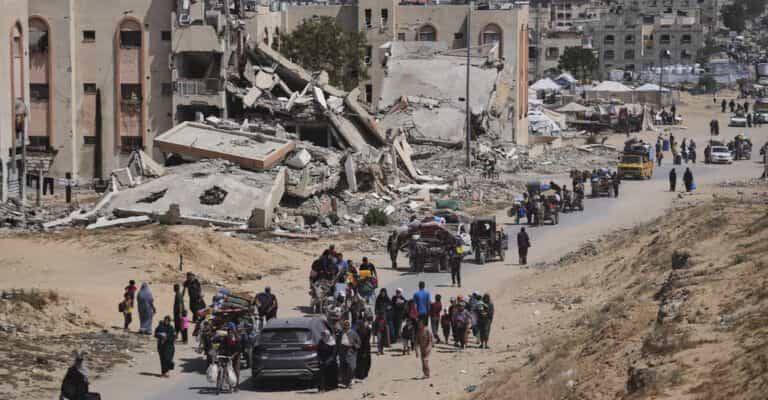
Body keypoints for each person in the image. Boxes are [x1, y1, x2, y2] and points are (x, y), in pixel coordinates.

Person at [338, 320, 361, 388]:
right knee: (343, 367)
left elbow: (359, 343)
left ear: (349, 326)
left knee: (351, 366)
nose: (346, 326)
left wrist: (353, 345)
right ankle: (345, 381)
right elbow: (338, 343)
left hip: (351, 353)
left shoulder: (353, 333)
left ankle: (351, 379)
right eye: (345, 325)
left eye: (347, 325)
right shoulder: (341, 333)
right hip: (342, 353)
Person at [219, 323, 241, 390]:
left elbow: (238, 349)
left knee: (236, 369)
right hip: (228, 355)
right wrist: (219, 354)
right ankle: (228, 383)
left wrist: (233, 356)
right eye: (228, 331)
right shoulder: (225, 338)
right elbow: (222, 347)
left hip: (236, 355)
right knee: (226, 369)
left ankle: (237, 385)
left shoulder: (237, 338)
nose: (229, 332)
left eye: (231, 331)